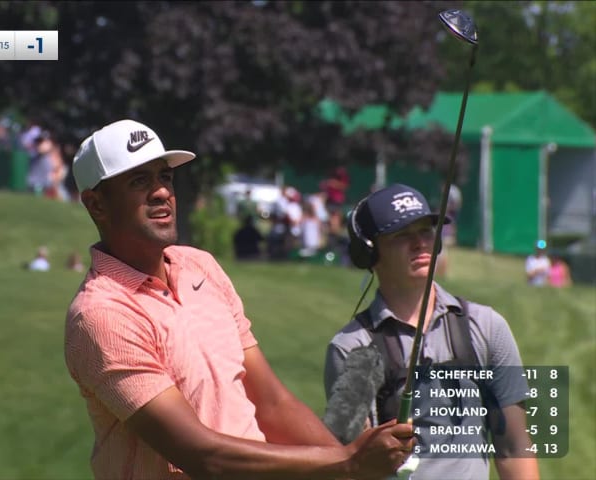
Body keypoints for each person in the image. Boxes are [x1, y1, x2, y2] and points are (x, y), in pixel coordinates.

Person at [64, 119, 414, 479]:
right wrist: (349, 462)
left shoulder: (200, 266)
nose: (161, 192)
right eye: (139, 181)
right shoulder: (101, 316)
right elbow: (202, 456)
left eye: (164, 176)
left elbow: (271, 403)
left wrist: (347, 468)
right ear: (96, 204)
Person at [325, 184, 539, 480]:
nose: (420, 243)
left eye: (426, 231)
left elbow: (514, 447)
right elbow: (354, 464)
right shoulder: (351, 348)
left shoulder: (487, 327)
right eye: (401, 235)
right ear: (369, 252)